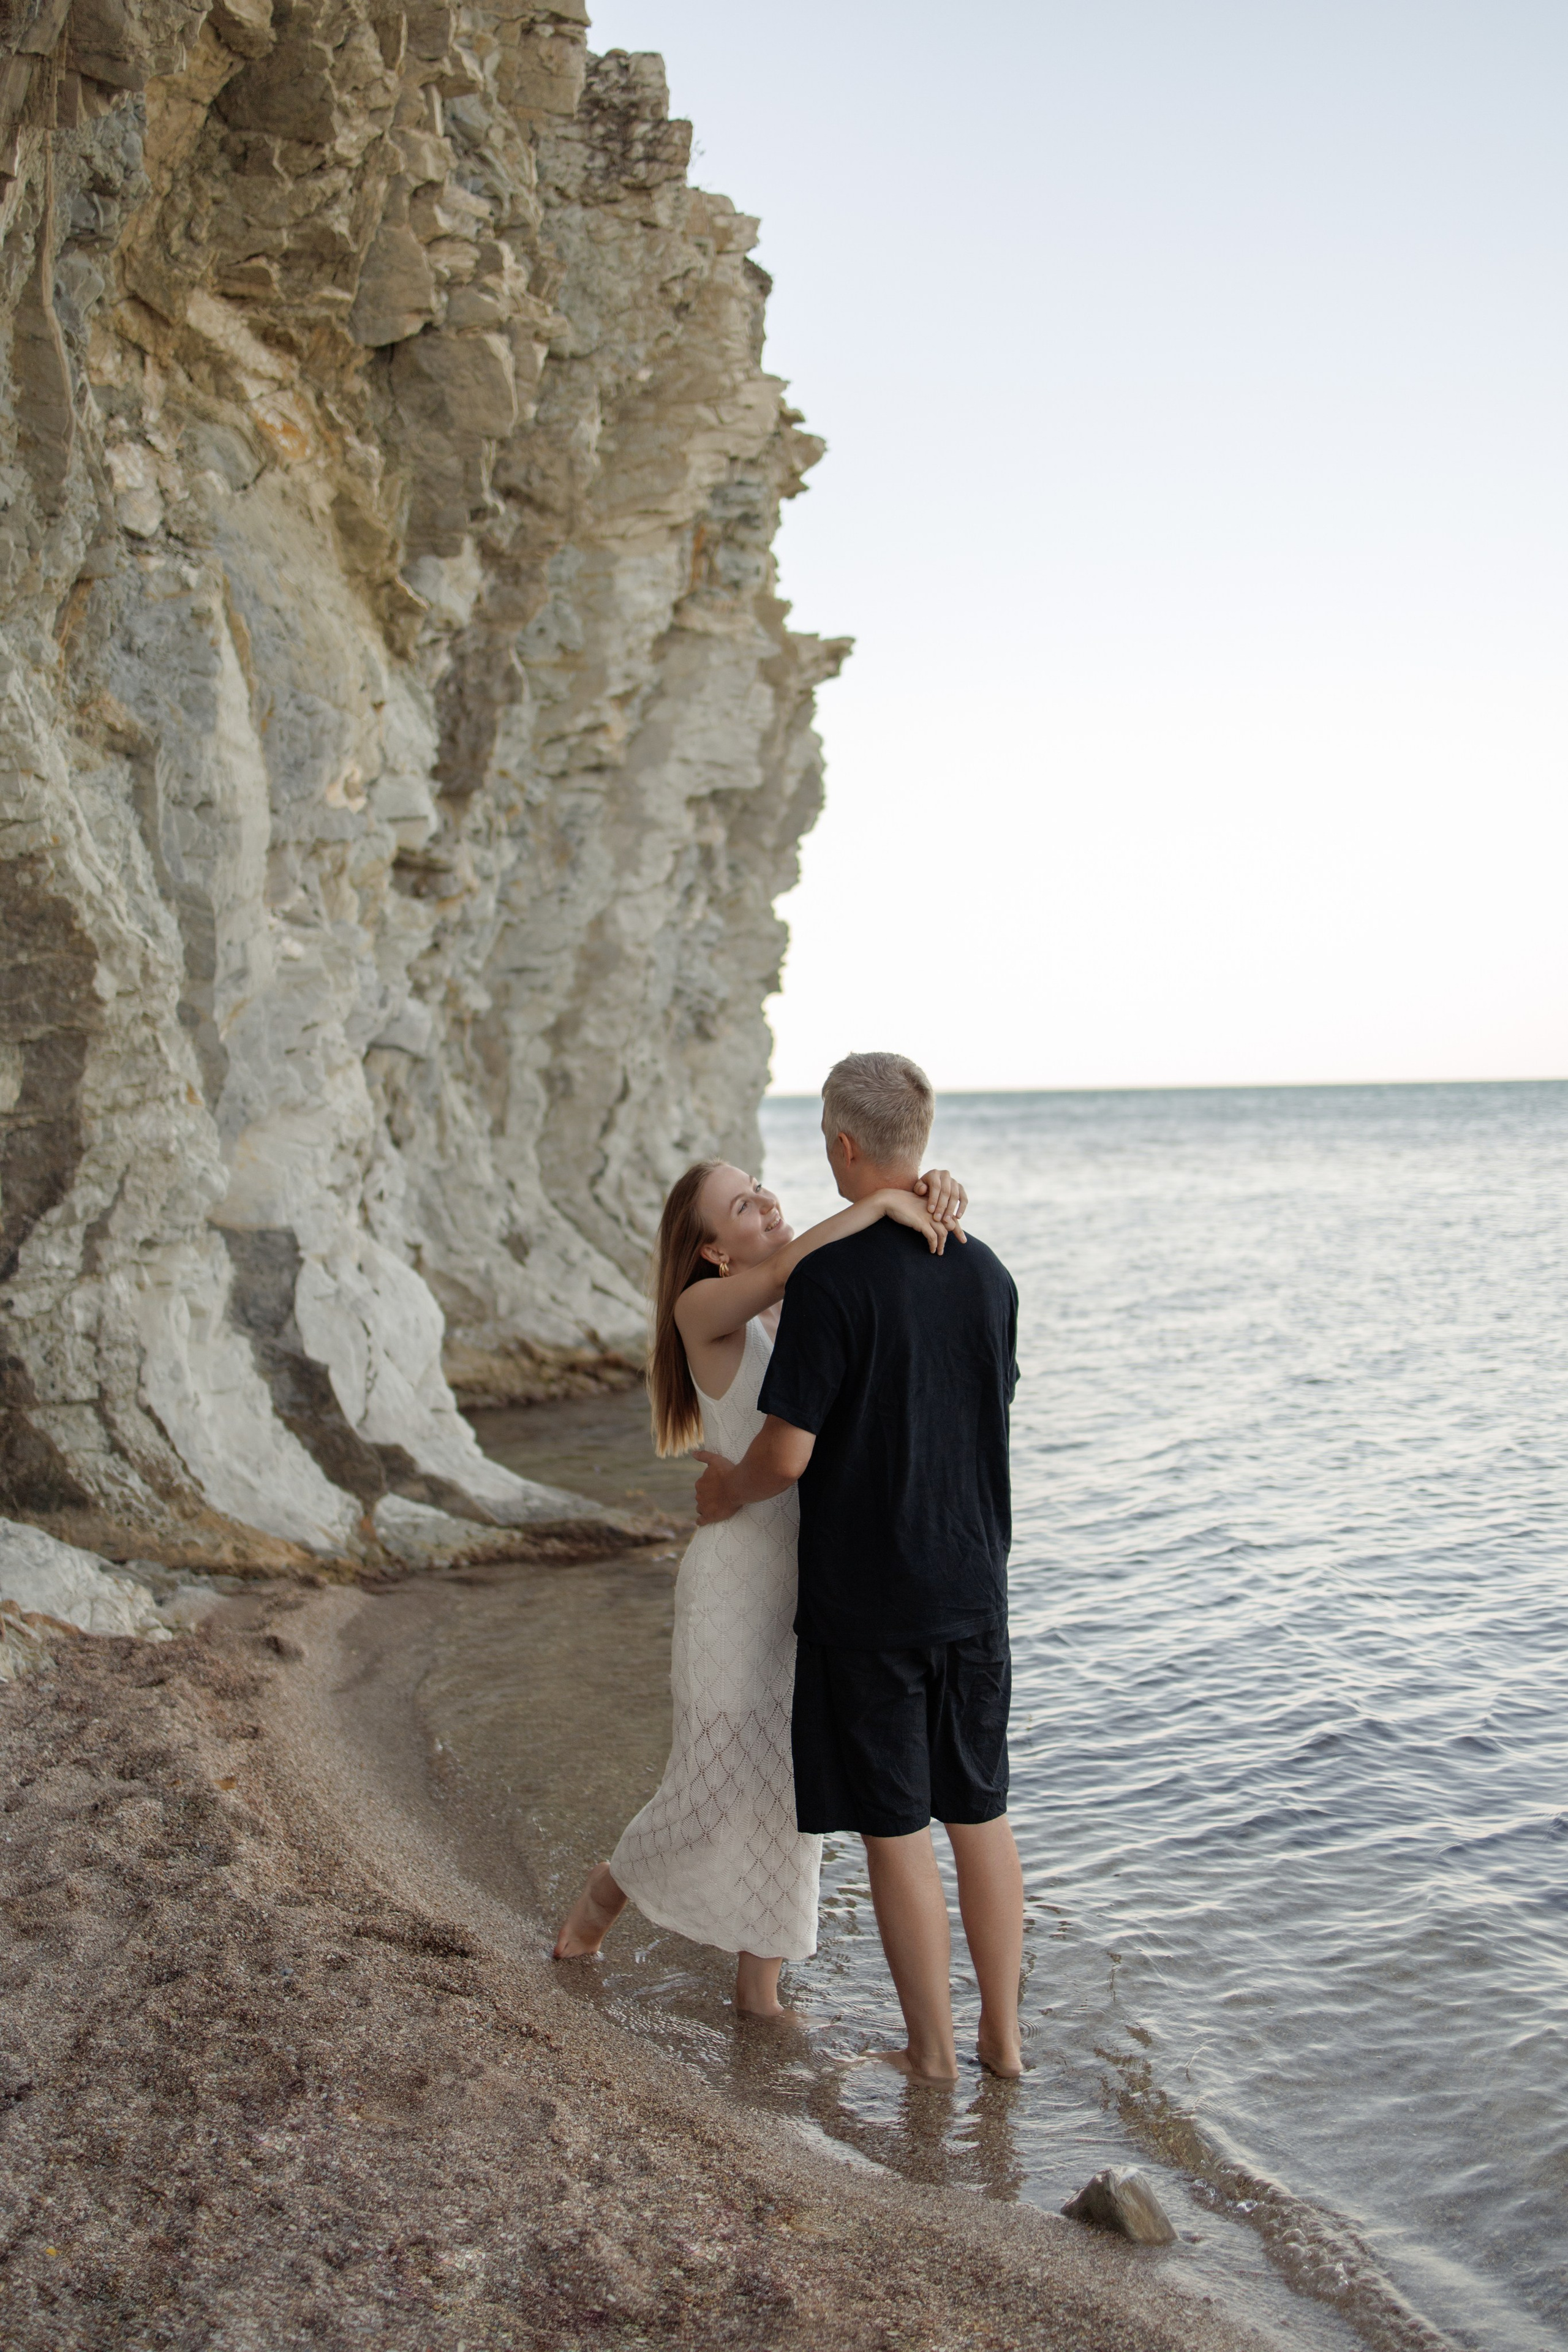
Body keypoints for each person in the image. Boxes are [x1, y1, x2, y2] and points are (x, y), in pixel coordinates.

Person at [552, 1146, 969, 2021]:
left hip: (812, 1583)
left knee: (789, 1789)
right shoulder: (703, 1310)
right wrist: (890, 1200)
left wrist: (927, 1192)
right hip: (732, 1585)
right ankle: (604, 1894)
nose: (767, 1203)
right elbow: (789, 1258)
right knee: (706, 1786)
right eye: (741, 1205)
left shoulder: (803, 1305)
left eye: (759, 1189)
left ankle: (760, 1986)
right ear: (711, 1250)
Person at [693, 1052, 1023, 2079]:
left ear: (843, 1144)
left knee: (895, 1830)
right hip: (975, 1585)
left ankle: (930, 2056)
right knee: (982, 1815)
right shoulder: (986, 1269)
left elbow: (786, 1455)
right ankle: (1004, 2046)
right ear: (917, 1142)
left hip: (869, 1598)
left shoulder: (831, 1282)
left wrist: (723, 1493)